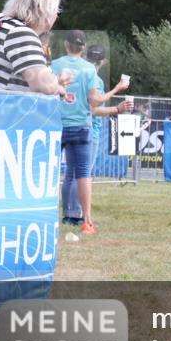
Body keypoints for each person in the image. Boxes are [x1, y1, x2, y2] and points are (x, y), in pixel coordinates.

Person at [62, 43, 132, 225]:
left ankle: (69, 214)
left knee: (70, 173)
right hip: (88, 130)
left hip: (71, 125)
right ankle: (78, 215)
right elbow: (94, 109)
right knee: (82, 173)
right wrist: (118, 108)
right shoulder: (95, 80)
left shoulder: (75, 75)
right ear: (103, 61)